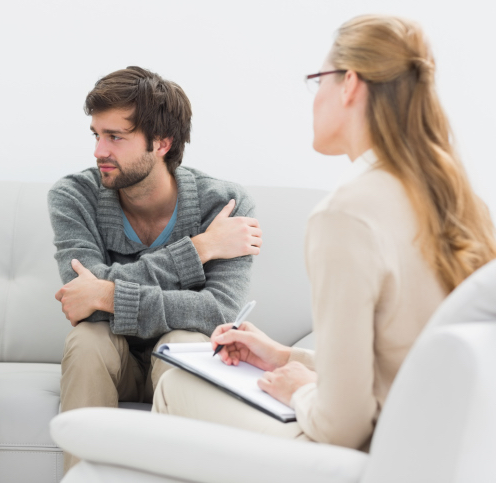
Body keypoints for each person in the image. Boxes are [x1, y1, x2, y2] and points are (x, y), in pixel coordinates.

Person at [152, 15, 496, 451]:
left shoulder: (344, 215)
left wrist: (298, 388)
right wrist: (285, 357)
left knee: (176, 387)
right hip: (436, 447)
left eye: (318, 81)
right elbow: (400, 367)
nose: (314, 99)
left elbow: (342, 426)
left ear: (349, 83)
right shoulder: (462, 202)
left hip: (367, 455)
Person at [48, 66, 263, 470]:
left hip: (181, 360)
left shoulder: (226, 205)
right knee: (87, 340)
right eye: (97, 135)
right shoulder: (74, 195)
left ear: (162, 143)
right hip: (114, 361)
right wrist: (199, 248)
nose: (99, 151)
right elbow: (82, 304)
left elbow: (218, 314)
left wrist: (109, 293)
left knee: (183, 341)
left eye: (115, 137)